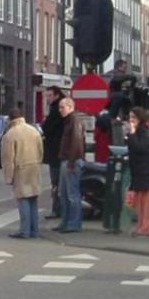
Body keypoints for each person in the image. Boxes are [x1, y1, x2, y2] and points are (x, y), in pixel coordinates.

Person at [1, 108, 43, 239]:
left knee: (23, 199)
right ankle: (35, 230)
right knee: (33, 199)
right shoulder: (33, 131)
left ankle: (24, 230)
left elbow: (8, 158)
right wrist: (38, 162)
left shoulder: (10, 134)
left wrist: (9, 177)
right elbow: (41, 150)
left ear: (10, 119)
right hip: (34, 166)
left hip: (20, 169)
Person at [126, 107, 149, 238]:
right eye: (130, 117)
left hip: (146, 170)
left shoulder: (145, 131)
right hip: (141, 170)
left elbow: (140, 147)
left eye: (134, 118)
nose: (131, 120)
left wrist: (131, 134)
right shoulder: (141, 131)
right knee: (142, 201)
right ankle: (142, 227)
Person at [54, 98, 85, 233]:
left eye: (62, 107)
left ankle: (73, 223)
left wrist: (72, 161)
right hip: (68, 159)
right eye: (60, 107)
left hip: (71, 160)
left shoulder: (74, 121)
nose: (60, 110)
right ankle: (66, 222)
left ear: (70, 107)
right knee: (65, 194)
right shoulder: (70, 121)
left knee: (72, 194)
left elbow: (76, 141)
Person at [41, 86, 64, 219]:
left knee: (56, 183)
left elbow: (47, 127)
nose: (47, 99)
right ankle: (58, 209)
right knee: (57, 183)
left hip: (56, 153)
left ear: (56, 96)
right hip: (57, 152)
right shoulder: (56, 109)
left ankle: (58, 210)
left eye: (49, 96)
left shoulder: (56, 110)